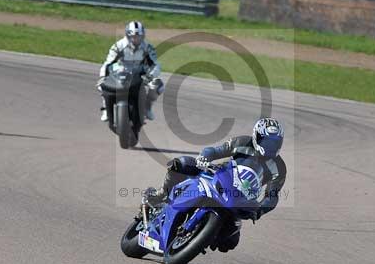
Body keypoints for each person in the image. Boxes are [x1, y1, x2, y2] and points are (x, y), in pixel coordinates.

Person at [143, 118, 287, 222]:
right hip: (221, 177)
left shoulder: (279, 167)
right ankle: (161, 194)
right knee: (181, 164)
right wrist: (205, 158)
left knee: (231, 240)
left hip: (241, 198)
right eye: (266, 142)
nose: (270, 146)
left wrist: (260, 209)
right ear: (256, 136)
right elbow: (215, 151)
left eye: (275, 143)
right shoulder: (243, 142)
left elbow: (272, 195)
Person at [97, 20, 163, 122]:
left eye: (139, 36)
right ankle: (106, 109)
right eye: (133, 36)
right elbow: (108, 63)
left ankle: (147, 108)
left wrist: (151, 75)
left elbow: (156, 64)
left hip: (140, 74)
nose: (136, 39)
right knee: (102, 85)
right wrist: (103, 77)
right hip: (121, 72)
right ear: (127, 35)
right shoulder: (118, 46)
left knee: (158, 85)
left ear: (143, 36)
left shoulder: (148, 48)